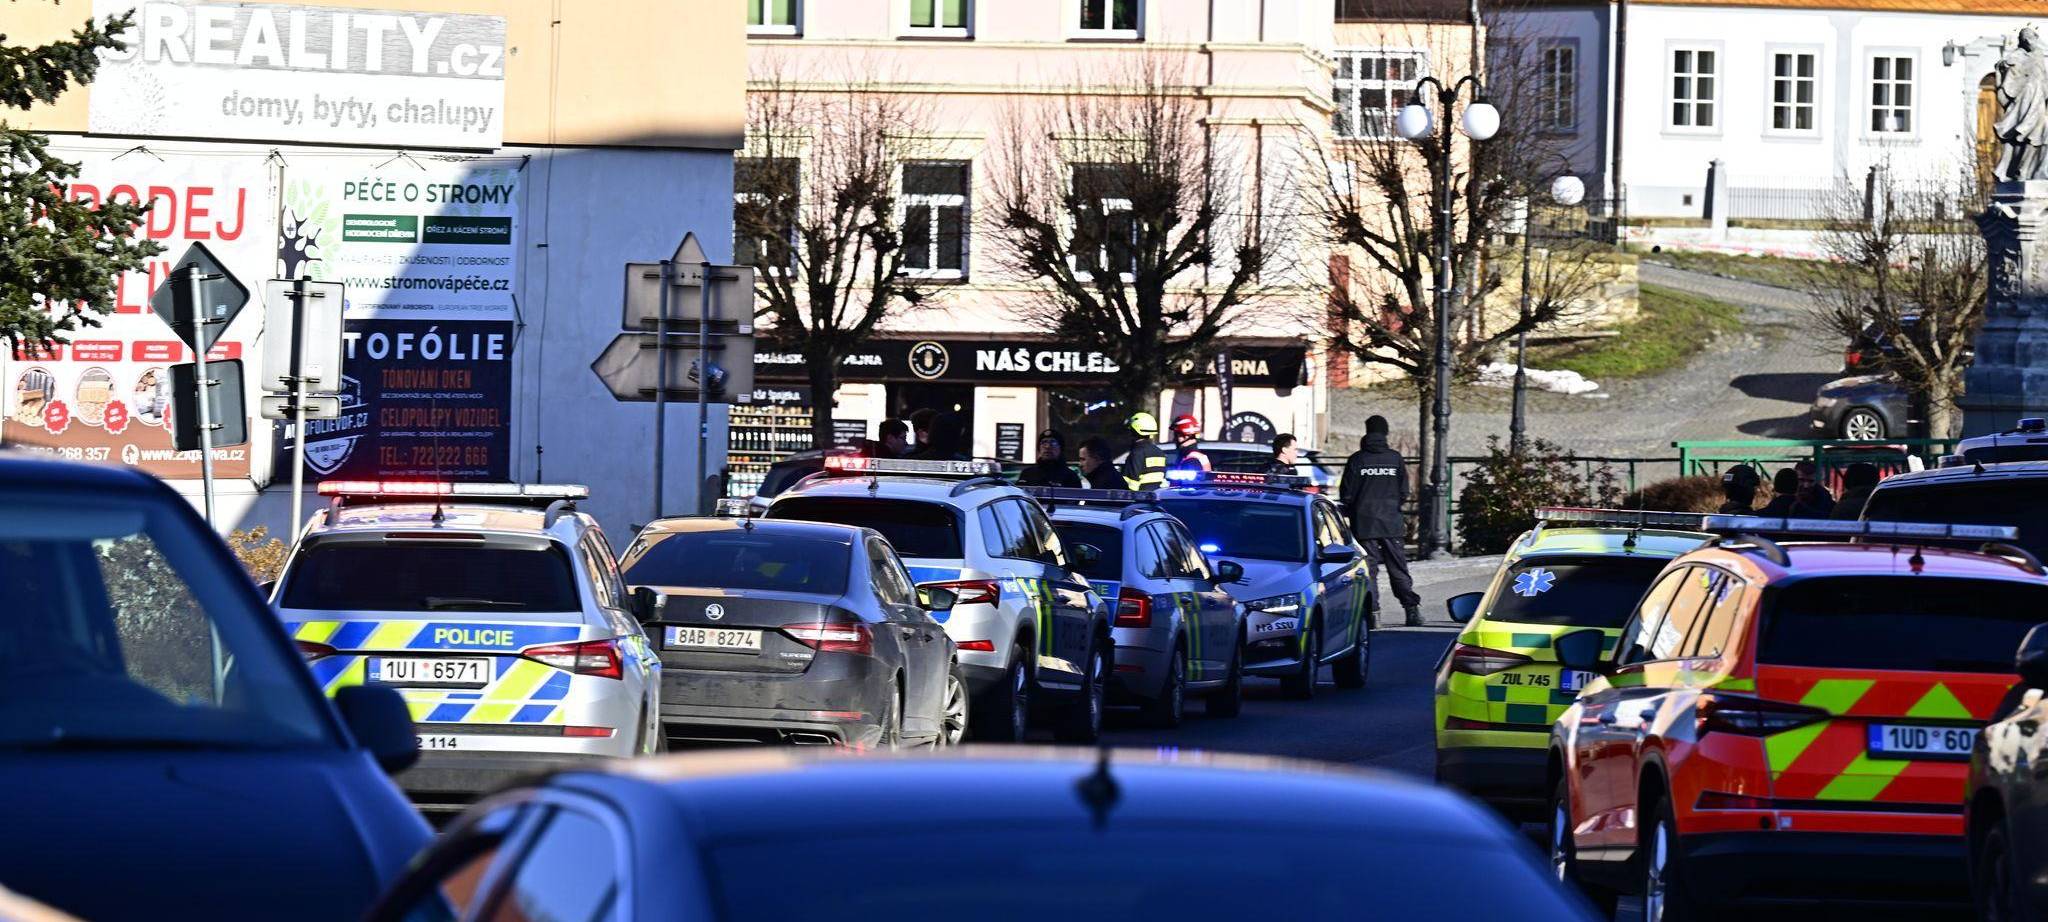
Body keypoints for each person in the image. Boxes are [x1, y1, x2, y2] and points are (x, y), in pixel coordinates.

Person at [1340, 416, 1420, 626]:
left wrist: (1355, 511)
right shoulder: (1395, 458)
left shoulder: (1357, 459)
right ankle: (1411, 610)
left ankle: (1374, 614)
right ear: (1385, 432)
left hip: (1364, 525)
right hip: (1391, 523)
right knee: (1398, 568)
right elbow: (1404, 492)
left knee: (1369, 570)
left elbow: (1347, 494)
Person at [1016, 429, 1083, 488]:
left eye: (1053, 442)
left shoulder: (1070, 477)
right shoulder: (1028, 474)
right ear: (1039, 448)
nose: (1047, 446)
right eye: (1044, 442)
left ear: (1060, 448)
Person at [1121, 412, 1171, 489]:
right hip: (1156, 498)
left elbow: (1130, 485)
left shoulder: (1136, 453)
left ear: (1134, 431)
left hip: (1140, 499)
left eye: (1130, 430)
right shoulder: (1159, 452)